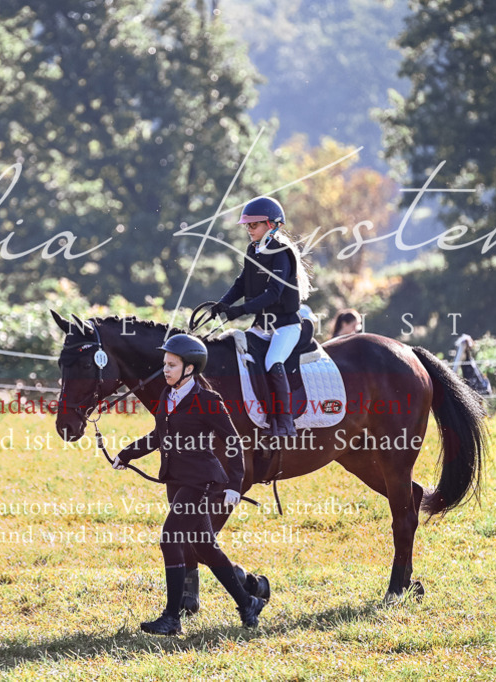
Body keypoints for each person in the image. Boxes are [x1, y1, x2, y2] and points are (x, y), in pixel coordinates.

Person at [113, 334, 266, 635]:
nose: (166, 370)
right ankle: (248, 602)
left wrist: (234, 484)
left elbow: (233, 442)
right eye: (165, 364)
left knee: (171, 538)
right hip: (176, 480)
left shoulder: (208, 401)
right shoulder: (167, 396)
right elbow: (158, 436)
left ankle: (172, 618)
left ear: (190, 368)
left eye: (172, 365)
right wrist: (126, 453)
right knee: (205, 547)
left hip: (202, 482)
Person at [210, 196, 311, 437]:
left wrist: (241, 310)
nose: (249, 229)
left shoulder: (281, 252)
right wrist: (223, 304)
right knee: (241, 356)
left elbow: (274, 293)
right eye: (247, 225)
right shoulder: (253, 250)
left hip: (286, 326)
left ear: (271, 225)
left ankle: (285, 423)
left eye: (253, 225)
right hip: (262, 326)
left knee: (272, 361)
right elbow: (241, 283)